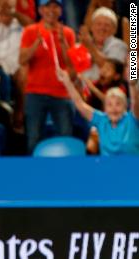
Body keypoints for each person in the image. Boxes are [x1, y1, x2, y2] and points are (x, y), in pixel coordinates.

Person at [19, 0, 76, 153]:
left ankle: (66, 171)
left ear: (60, 10)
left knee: (66, 135)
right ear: (40, 10)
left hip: (61, 93)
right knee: (33, 137)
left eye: (55, 6)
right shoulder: (31, 31)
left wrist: (64, 45)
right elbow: (22, 59)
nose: (51, 10)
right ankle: (34, 173)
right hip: (35, 93)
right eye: (47, 6)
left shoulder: (68, 33)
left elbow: (73, 68)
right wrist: (36, 44)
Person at [57, 68, 139, 155]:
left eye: (118, 104)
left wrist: (133, 61)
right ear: (105, 108)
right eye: (109, 105)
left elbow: (134, 94)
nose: (114, 109)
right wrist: (67, 82)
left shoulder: (132, 119)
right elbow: (79, 104)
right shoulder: (101, 120)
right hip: (107, 167)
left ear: (125, 107)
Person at [80, 7, 128, 81]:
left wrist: (90, 47)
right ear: (92, 27)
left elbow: (111, 70)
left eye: (107, 25)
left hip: (108, 90)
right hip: (82, 89)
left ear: (114, 30)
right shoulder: (82, 45)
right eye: (98, 24)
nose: (102, 28)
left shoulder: (120, 46)